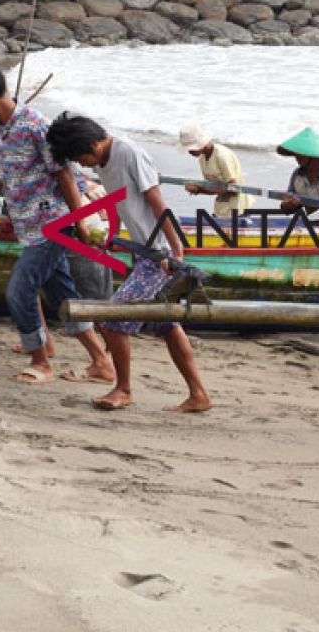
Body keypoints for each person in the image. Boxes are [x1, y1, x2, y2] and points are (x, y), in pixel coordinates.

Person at [0, 58, 113, 385]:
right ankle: (101, 362)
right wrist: (4, 224)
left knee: (19, 290)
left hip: (53, 225)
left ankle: (41, 360)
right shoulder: (0, 127)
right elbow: (15, 183)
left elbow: (65, 175)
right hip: (29, 227)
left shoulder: (34, 125)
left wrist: (80, 222)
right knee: (62, 296)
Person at [48, 113, 212, 413]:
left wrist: (175, 254)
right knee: (167, 326)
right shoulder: (105, 161)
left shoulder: (129, 154)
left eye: (80, 157)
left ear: (93, 144)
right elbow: (123, 205)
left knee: (113, 318)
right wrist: (109, 236)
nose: (83, 165)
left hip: (159, 256)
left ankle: (123, 389)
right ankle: (198, 395)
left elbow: (156, 201)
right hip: (143, 254)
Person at [179, 123, 253, 218]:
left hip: (237, 210)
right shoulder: (202, 159)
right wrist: (198, 189)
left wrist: (200, 189)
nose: (189, 152)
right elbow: (213, 188)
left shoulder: (221, 156)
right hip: (221, 208)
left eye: (190, 148)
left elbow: (234, 189)